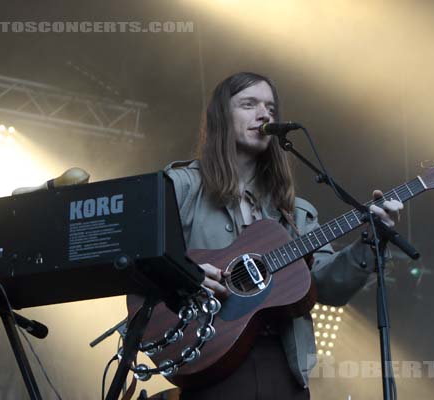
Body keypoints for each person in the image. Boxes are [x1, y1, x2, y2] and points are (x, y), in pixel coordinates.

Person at [164, 72, 403, 399]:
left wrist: (371, 240)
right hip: (212, 357)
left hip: (284, 367)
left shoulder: (295, 211)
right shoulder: (182, 187)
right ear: (221, 117)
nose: (264, 115)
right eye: (249, 104)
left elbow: (327, 287)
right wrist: (185, 276)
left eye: (271, 109)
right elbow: (135, 257)